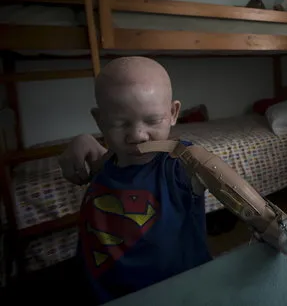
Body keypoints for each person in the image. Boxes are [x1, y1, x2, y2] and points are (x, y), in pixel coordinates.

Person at [59, 56, 211, 304]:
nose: (137, 136)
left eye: (152, 121)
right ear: (100, 121)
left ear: (173, 113)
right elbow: (102, 158)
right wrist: (81, 139)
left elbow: (229, 184)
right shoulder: (109, 160)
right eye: (120, 124)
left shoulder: (180, 164)